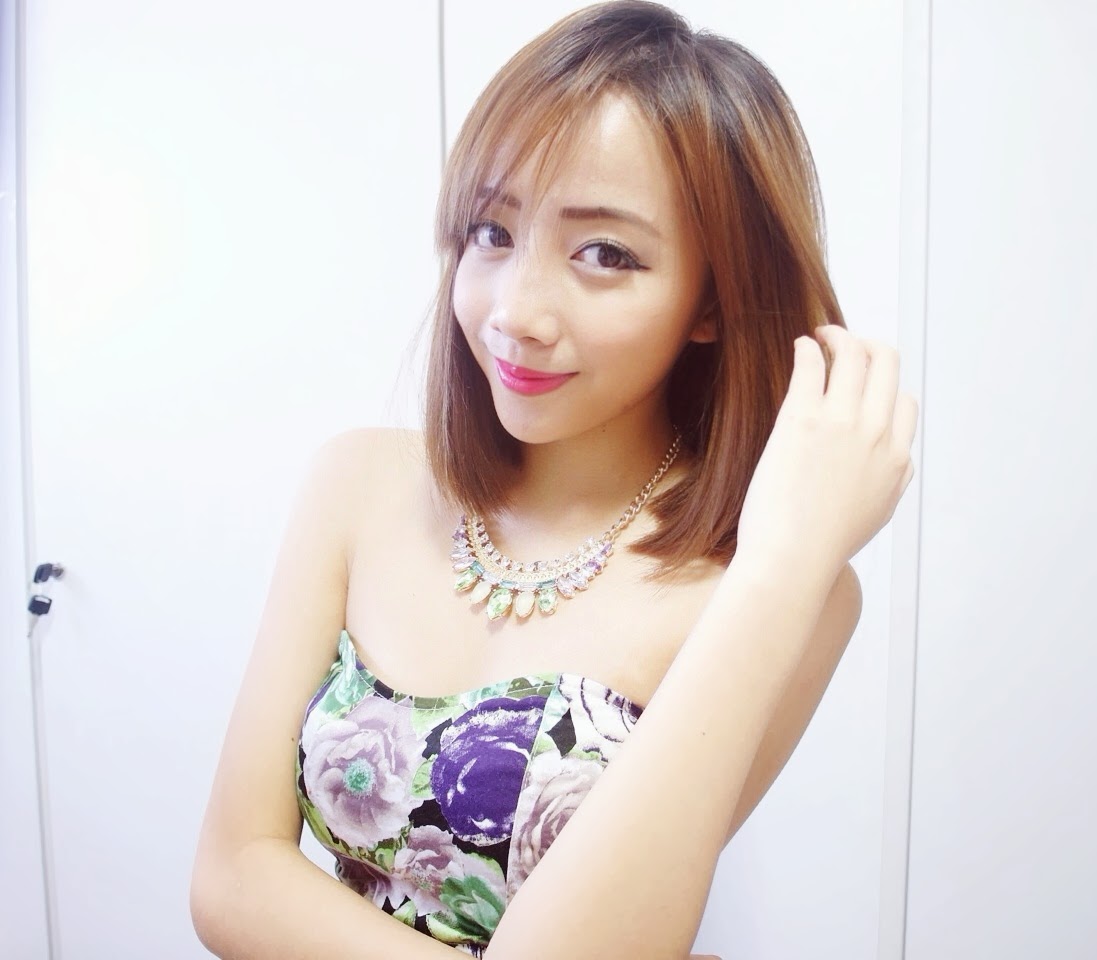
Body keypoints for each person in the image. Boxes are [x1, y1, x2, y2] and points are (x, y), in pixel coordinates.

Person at [189, 2, 917, 958]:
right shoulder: (357, 485)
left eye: (604, 254)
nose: (515, 313)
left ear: (712, 300)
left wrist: (781, 567)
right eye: (491, 231)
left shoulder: (778, 588)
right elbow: (232, 873)